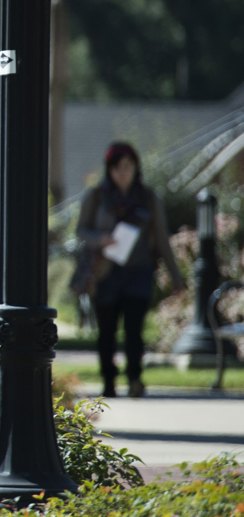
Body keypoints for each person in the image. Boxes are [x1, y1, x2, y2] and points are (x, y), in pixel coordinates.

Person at [77, 141, 184, 399]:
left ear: (136, 167)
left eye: (127, 166)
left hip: (139, 271)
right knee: (107, 330)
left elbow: (161, 237)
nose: (122, 173)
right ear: (109, 170)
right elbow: (81, 231)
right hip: (106, 272)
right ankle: (108, 381)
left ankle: (135, 377)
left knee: (135, 330)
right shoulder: (96, 196)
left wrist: (176, 277)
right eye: (116, 168)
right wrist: (101, 239)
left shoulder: (147, 198)